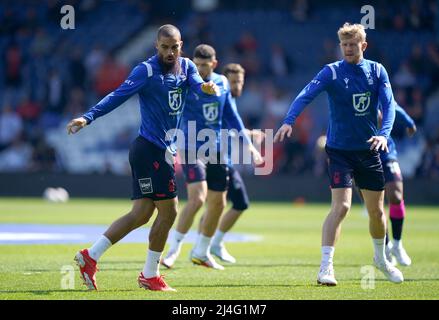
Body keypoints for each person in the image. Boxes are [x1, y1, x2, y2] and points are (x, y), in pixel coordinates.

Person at [66, 25, 218, 292]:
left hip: (156, 151)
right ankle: (150, 275)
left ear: (181, 45)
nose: (170, 52)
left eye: (175, 47)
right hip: (150, 150)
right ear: (156, 47)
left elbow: (197, 84)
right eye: (164, 47)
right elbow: (117, 96)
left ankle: (90, 256)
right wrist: (87, 117)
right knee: (169, 212)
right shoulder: (145, 71)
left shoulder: (187, 67)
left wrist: (206, 87)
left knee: (141, 213)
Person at [274, 23, 403, 286]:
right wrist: (289, 120)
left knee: (377, 212)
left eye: (352, 45)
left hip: (368, 150)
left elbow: (390, 106)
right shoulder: (331, 72)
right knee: (341, 207)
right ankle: (325, 268)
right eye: (343, 45)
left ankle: (380, 258)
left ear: (363, 46)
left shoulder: (377, 71)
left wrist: (384, 134)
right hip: (339, 151)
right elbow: (305, 94)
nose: (347, 49)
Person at [161, 46, 261, 270]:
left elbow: (232, 117)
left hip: (215, 150)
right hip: (190, 148)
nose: (201, 70)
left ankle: (201, 251)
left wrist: (250, 148)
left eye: (205, 66)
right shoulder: (184, 83)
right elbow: (171, 111)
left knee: (219, 202)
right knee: (197, 198)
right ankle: (173, 249)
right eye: (197, 66)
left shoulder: (223, 84)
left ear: (214, 65)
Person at [381, 103, 416, 265]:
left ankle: (397, 244)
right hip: (360, 154)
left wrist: (409, 122)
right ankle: (385, 246)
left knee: (396, 195)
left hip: (386, 151)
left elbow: (392, 105)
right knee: (375, 205)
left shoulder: (379, 85)